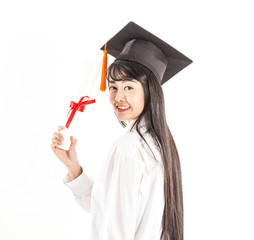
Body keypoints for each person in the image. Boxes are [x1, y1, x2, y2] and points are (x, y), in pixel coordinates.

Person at [51, 22, 192, 240]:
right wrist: (73, 166)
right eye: (113, 87)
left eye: (129, 87)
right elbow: (107, 207)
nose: (118, 97)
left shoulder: (131, 148)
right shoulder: (158, 145)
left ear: (150, 91)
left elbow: (116, 230)